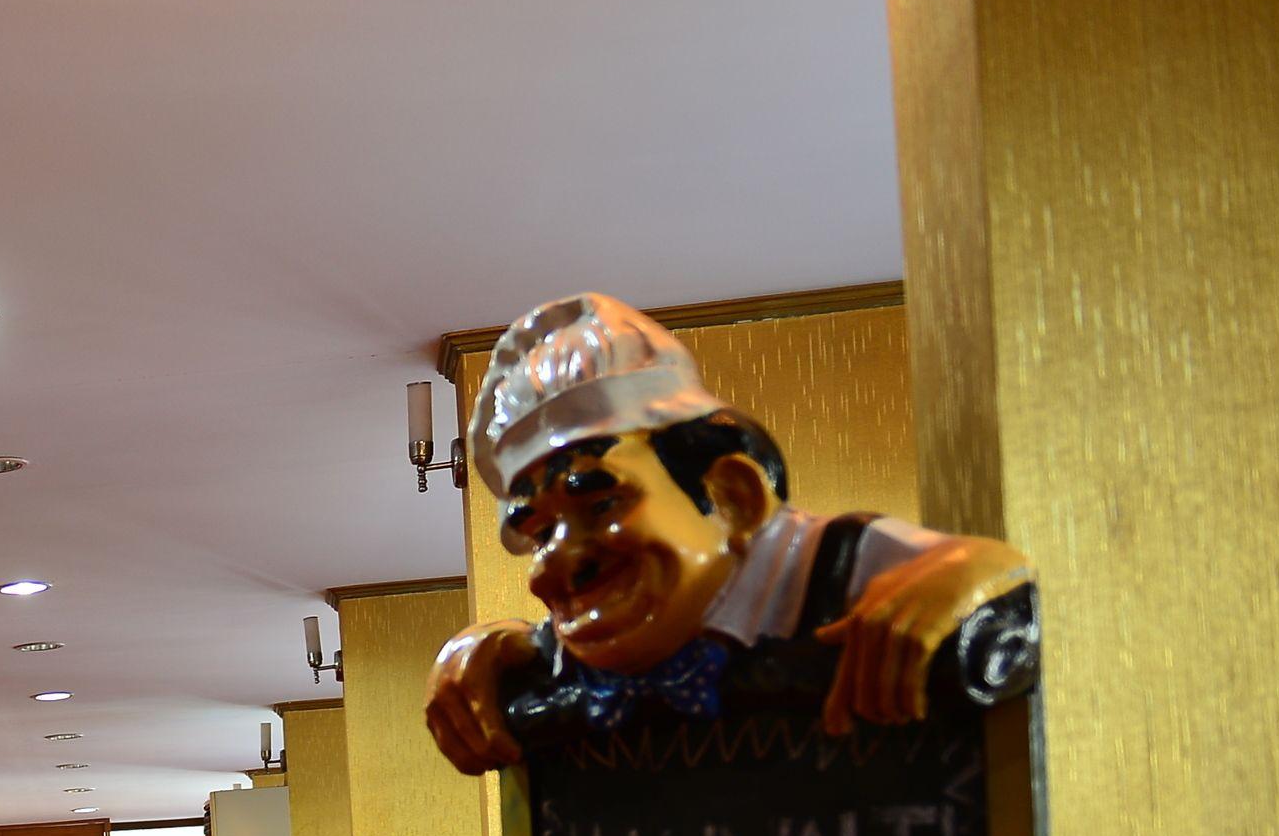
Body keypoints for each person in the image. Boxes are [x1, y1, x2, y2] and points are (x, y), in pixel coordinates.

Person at [423, 292, 1031, 773]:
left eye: (601, 503)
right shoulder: (599, 631)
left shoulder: (839, 565)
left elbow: (1021, 599)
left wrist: (972, 578)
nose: (559, 564)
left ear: (732, 497)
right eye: (540, 534)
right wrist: (482, 648)